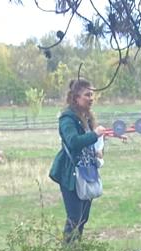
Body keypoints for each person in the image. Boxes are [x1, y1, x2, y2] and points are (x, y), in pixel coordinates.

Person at [49, 77, 104, 241]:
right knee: (74, 219)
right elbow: (73, 142)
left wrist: (99, 147)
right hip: (71, 174)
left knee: (82, 219)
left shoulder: (86, 118)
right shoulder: (67, 119)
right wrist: (94, 135)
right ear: (76, 98)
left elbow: (89, 143)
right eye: (87, 95)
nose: (91, 98)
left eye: (92, 95)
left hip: (86, 172)